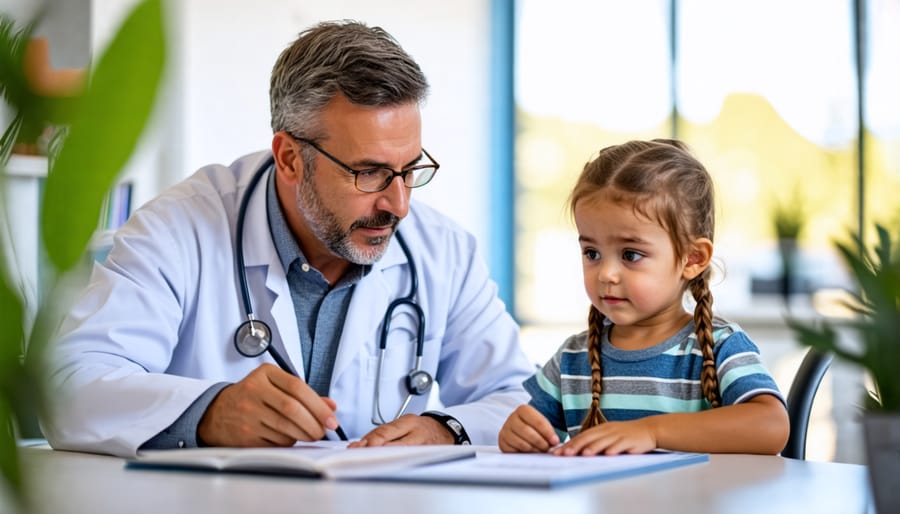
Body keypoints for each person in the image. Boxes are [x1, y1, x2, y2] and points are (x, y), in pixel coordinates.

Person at [42, 20, 534, 458]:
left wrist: (446, 428)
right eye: (369, 173)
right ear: (290, 158)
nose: (398, 205)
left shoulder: (443, 250)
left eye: (409, 170)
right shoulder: (180, 228)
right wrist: (208, 412)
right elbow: (67, 387)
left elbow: (521, 400)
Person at [498, 139, 790, 456]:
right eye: (592, 252)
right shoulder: (572, 359)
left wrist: (651, 432)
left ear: (692, 258)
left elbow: (772, 426)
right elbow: (534, 435)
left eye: (631, 255)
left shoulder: (718, 346)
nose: (606, 273)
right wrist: (518, 433)